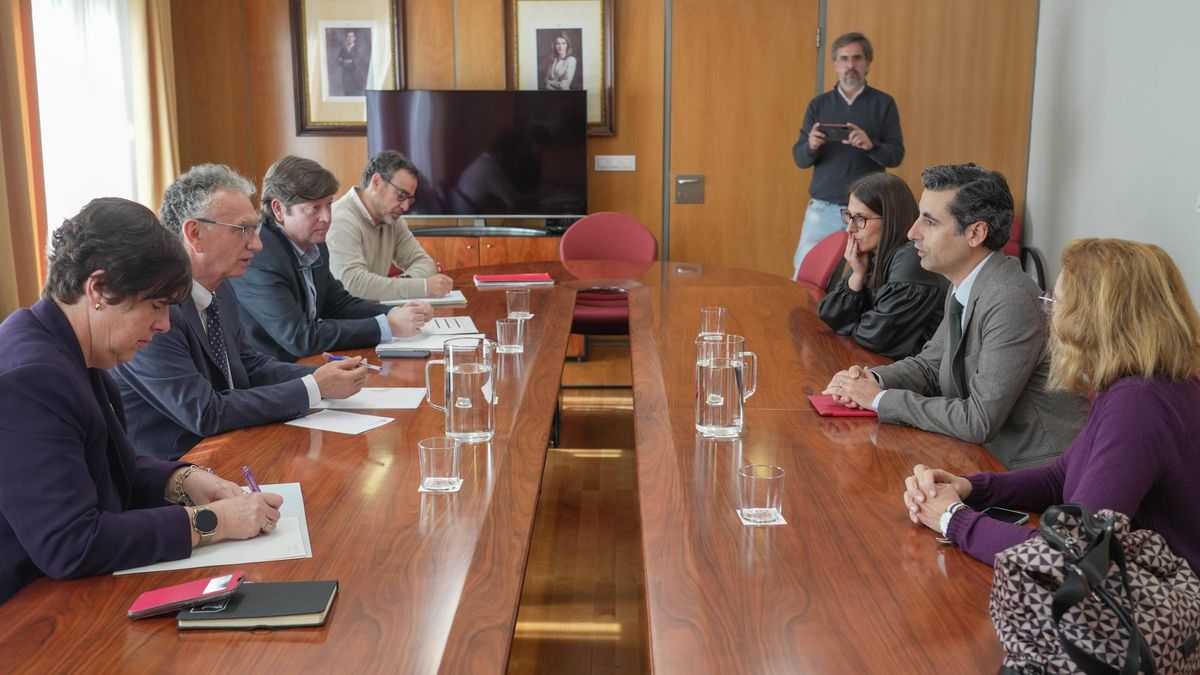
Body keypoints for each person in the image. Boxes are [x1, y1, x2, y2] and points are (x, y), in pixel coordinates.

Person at [0, 198, 283, 604]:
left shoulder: (69, 347)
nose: (164, 325)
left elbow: (110, 469)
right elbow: (70, 543)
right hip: (27, 613)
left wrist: (181, 480)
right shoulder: (32, 378)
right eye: (155, 305)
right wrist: (211, 522)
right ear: (98, 289)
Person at [903, 239, 1200, 572]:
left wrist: (952, 519)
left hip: (1163, 614)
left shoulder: (1138, 404)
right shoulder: (1143, 384)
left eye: (1055, 301)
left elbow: (1069, 555)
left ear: (1093, 318)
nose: (1049, 314)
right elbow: (1062, 478)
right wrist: (970, 487)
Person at [823, 163, 1089, 469]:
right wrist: (873, 380)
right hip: (983, 457)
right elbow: (929, 365)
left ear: (976, 233)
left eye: (930, 222)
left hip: (1035, 472)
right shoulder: (965, 281)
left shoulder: (1010, 298)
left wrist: (878, 400)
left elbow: (978, 420)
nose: (912, 233)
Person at [113, 165, 370, 461]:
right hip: (177, 470)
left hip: (233, 445)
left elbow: (248, 366)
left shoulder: (220, 287)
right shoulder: (154, 310)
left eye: (256, 229)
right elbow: (205, 412)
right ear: (195, 233)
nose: (257, 244)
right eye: (243, 230)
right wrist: (312, 387)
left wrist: (324, 376)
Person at [230, 155, 434, 362]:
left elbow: (338, 305)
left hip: (304, 363)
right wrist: (387, 325)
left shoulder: (315, 244)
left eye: (328, 204)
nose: (327, 217)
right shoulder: (260, 256)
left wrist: (398, 311)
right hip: (267, 376)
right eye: (313, 208)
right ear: (279, 209)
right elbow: (301, 337)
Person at [791, 32, 904, 278]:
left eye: (856, 58)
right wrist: (811, 145)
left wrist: (871, 145)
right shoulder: (818, 105)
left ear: (868, 63)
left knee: (870, 276)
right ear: (835, 64)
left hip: (869, 212)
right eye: (843, 58)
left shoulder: (883, 104)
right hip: (824, 210)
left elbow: (896, 156)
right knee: (804, 274)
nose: (850, 65)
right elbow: (800, 159)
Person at [817, 172, 947, 359]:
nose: (850, 229)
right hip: (878, 364)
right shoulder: (871, 254)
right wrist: (857, 276)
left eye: (860, 218)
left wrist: (855, 322)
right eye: (849, 216)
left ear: (890, 218)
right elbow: (831, 317)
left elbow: (876, 338)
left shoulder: (913, 260)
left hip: (917, 379)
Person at [327, 150, 453, 301]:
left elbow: (425, 262)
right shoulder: (341, 219)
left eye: (410, 199)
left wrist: (403, 284)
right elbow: (352, 285)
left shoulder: (392, 219)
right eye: (401, 195)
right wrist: (423, 287)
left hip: (374, 313)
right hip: (345, 321)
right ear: (376, 182)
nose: (406, 207)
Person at [336, 30, 365, 96]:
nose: (350, 38)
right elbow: (338, 61)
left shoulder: (358, 48)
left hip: (356, 78)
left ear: (354, 38)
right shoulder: (343, 49)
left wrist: (347, 61)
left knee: (356, 97)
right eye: (348, 36)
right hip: (346, 78)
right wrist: (346, 61)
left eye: (351, 36)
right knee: (347, 95)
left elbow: (358, 60)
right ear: (346, 38)